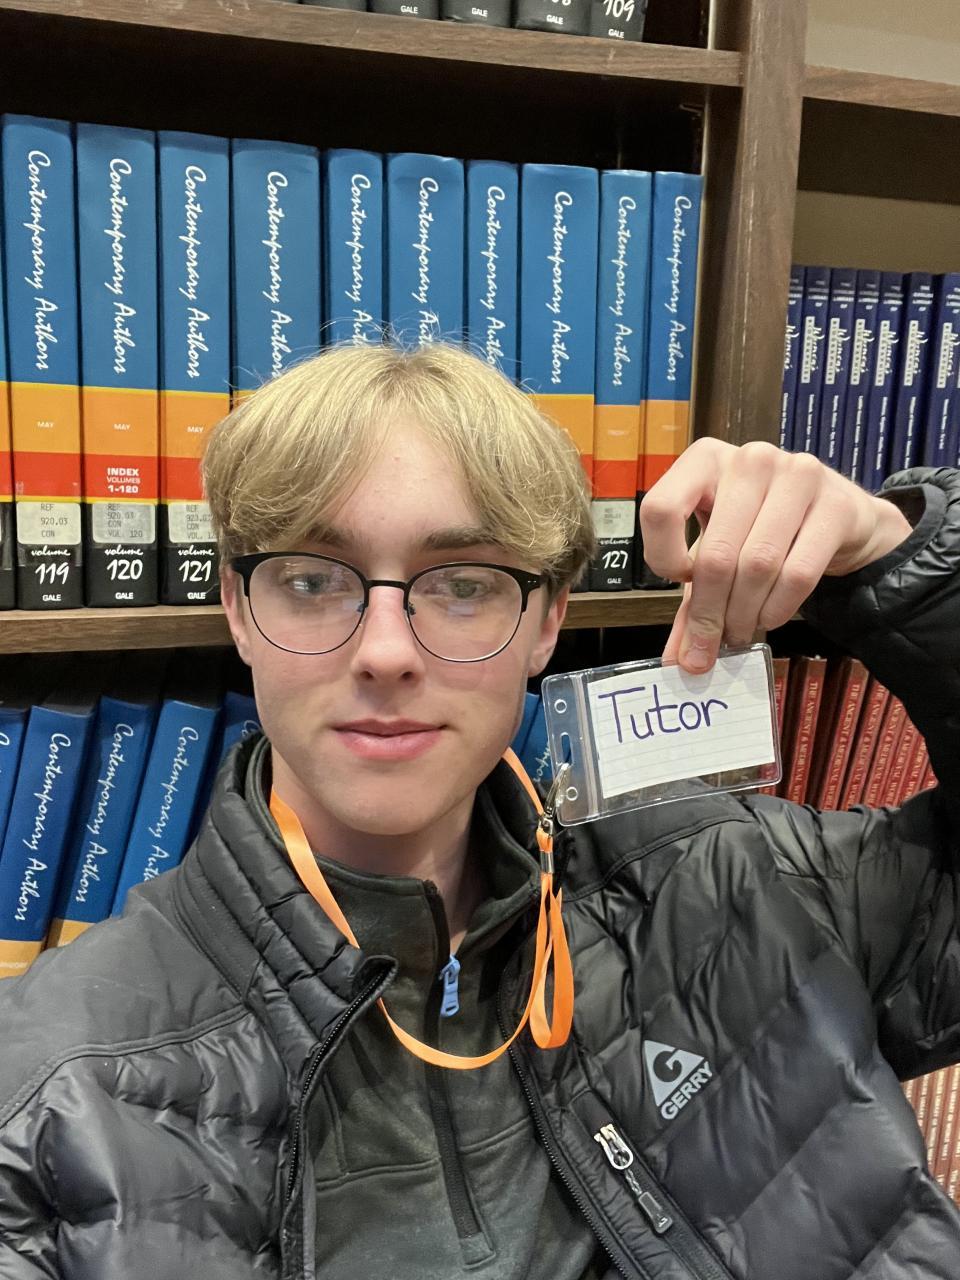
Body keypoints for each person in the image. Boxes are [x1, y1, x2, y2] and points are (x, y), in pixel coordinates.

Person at [0, 340, 958, 1280]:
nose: (385, 652)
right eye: (311, 580)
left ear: (547, 621)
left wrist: (901, 564)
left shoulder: (747, 886)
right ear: (240, 610)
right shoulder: (44, 1103)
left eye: (463, 585)